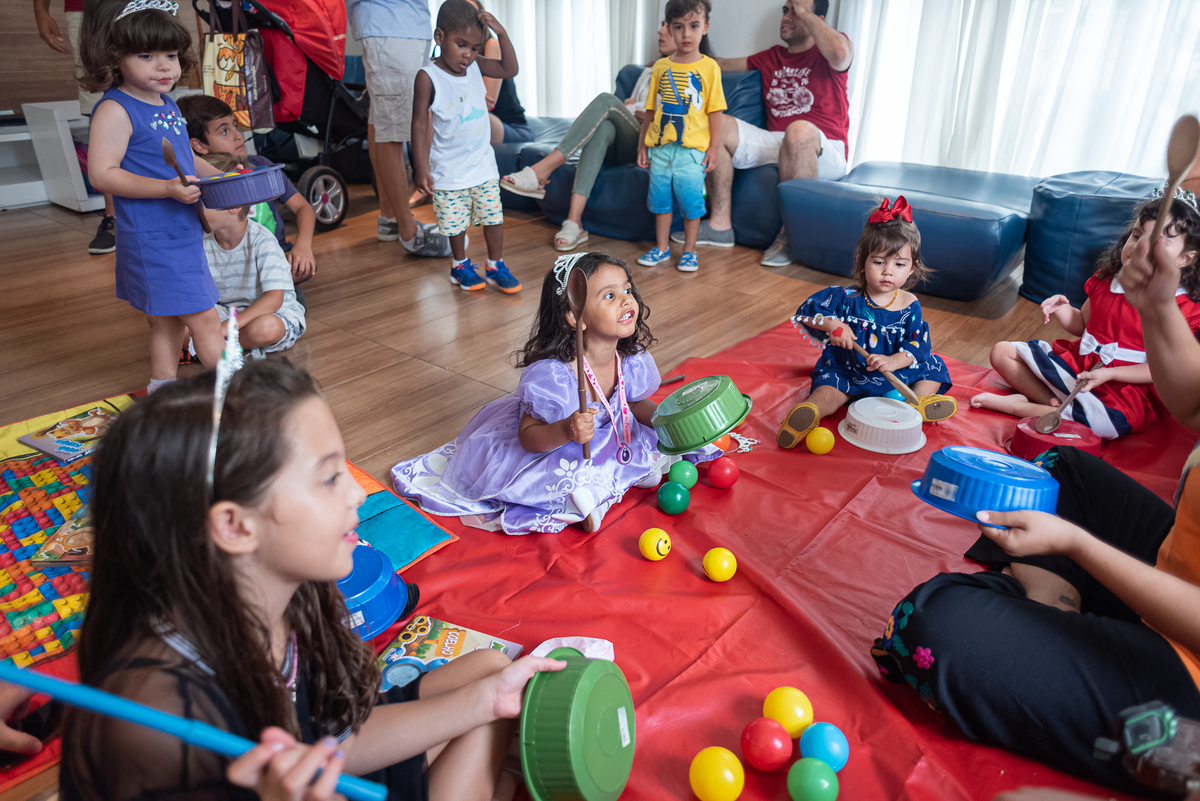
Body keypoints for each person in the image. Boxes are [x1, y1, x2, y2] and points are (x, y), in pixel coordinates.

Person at [57, 359, 566, 801]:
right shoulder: (161, 720)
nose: (359, 495)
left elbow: (333, 742)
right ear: (235, 526)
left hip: (317, 774)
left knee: (488, 672)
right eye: (329, 477)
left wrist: (484, 702)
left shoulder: (288, 596)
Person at [872, 212, 1200, 796]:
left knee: (927, 628)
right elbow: (1193, 403)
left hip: (1190, 692)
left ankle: (1075, 642)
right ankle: (1059, 616)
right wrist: (1158, 304)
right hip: (1179, 567)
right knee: (1062, 468)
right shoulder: (1120, 291)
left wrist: (1076, 545)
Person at [393, 251, 717, 534]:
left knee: (651, 442)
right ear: (576, 317)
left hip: (606, 433)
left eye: (627, 290)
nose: (626, 300)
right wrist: (567, 429)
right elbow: (528, 437)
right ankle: (585, 501)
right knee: (561, 474)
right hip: (557, 441)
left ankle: (614, 482)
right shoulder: (553, 377)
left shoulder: (630, 358)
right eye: (609, 295)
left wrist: (665, 420)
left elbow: (631, 403)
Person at [78, 0, 225, 392]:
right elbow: (102, 173)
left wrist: (229, 177)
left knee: (168, 319)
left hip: (181, 233)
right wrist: (165, 188)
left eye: (171, 56)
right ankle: (245, 397)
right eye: (146, 55)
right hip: (153, 239)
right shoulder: (115, 109)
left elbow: (185, 159)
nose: (164, 66)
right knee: (206, 320)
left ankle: (161, 394)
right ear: (116, 57)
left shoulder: (168, 104)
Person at [971, 189, 1200, 439]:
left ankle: (1021, 407)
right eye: (1136, 236)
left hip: (1124, 388)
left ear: (1185, 258)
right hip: (1080, 367)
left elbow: (1164, 371)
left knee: (1105, 426)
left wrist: (1111, 373)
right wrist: (1063, 310)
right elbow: (1083, 325)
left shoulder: (1186, 311)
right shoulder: (1107, 281)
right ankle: (1053, 405)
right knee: (1002, 352)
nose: (1139, 247)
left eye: (1155, 243)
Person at [499, 22, 698, 252]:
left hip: (654, 143)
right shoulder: (649, 71)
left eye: (668, 27)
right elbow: (629, 105)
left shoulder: (692, 74)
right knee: (603, 129)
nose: (660, 31)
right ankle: (574, 222)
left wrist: (653, 117)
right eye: (662, 25)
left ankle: (543, 169)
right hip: (631, 138)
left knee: (605, 100)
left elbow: (689, 121)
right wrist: (632, 110)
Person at [776, 196, 956, 448]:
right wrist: (832, 325)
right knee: (828, 390)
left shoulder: (909, 304)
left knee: (933, 365)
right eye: (879, 262)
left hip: (895, 372)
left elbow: (918, 345)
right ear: (862, 261)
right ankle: (810, 411)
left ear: (912, 268)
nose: (888, 271)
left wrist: (893, 361)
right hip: (848, 372)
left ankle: (919, 404)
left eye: (899, 264)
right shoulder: (844, 297)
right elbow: (806, 313)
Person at [690, 0, 852, 265]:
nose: (787, 16)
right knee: (717, 124)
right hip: (778, 140)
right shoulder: (771, 56)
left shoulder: (831, 49)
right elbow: (719, 64)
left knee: (797, 130)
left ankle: (791, 238)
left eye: (796, 10)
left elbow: (839, 53)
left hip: (825, 147)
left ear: (818, 18)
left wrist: (806, 14)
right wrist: (676, 59)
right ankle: (719, 226)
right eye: (785, 10)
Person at [412, 0, 522, 293]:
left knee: (493, 217)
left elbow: (510, 69)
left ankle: (495, 265)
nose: (467, 54)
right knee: (455, 224)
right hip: (448, 169)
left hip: (482, 165)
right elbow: (419, 124)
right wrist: (420, 167)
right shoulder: (428, 76)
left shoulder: (474, 66)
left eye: (475, 47)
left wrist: (501, 34)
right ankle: (459, 265)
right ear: (439, 37)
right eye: (461, 44)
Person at [345, 0, 452, 257]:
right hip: (391, 24)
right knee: (392, 130)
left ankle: (391, 218)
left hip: (405, 23)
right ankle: (409, 232)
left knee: (381, 121)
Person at [178, 95, 318, 284]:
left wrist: (303, 245)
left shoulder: (261, 166)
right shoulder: (195, 180)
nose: (238, 135)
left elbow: (303, 207)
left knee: (303, 267)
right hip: (224, 262)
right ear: (199, 145)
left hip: (275, 253)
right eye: (224, 131)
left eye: (234, 125)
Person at [635, 0, 725, 274]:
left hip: (691, 152)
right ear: (670, 29)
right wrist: (642, 144)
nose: (686, 34)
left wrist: (714, 148)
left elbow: (715, 111)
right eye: (679, 27)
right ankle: (662, 248)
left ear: (705, 28)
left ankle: (689, 250)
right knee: (660, 200)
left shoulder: (710, 68)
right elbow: (650, 109)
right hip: (660, 150)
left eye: (694, 26)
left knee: (691, 202)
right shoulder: (660, 67)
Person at [197, 152, 306, 357]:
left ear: (234, 206)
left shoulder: (262, 240)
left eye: (201, 200)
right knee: (162, 319)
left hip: (268, 313)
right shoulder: (201, 240)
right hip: (226, 312)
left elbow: (274, 299)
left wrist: (226, 327)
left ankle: (211, 347)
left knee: (264, 329)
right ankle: (217, 346)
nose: (194, 209)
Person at [33, 0, 117, 255]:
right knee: (100, 102)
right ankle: (114, 219)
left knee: (156, 98)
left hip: (147, 5)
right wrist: (41, 10)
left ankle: (168, 205)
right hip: (88, 8)